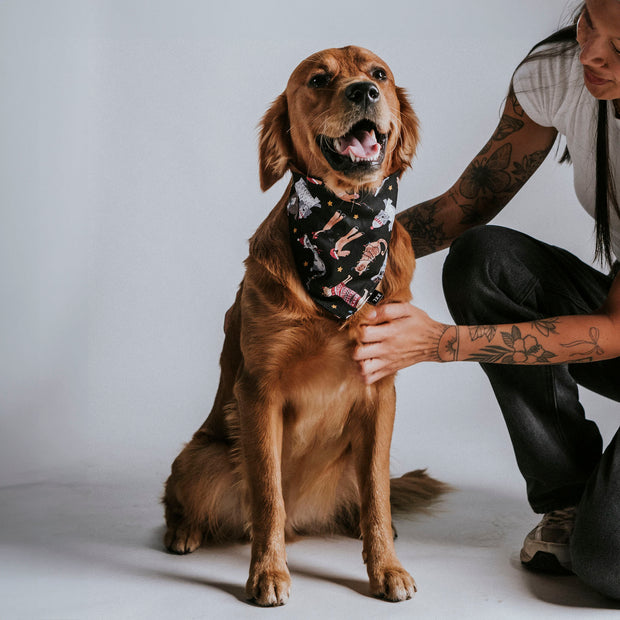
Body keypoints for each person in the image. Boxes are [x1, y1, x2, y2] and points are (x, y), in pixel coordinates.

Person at [353, 0, 620, 600]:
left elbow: (614, 330)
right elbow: (462, 209)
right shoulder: (560, 74)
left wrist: (439, 343)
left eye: (619, 47)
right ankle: (568, 501)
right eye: (588, 23)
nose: (590, 53)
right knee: (486, 259)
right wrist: (348, 248)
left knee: (609, 566)